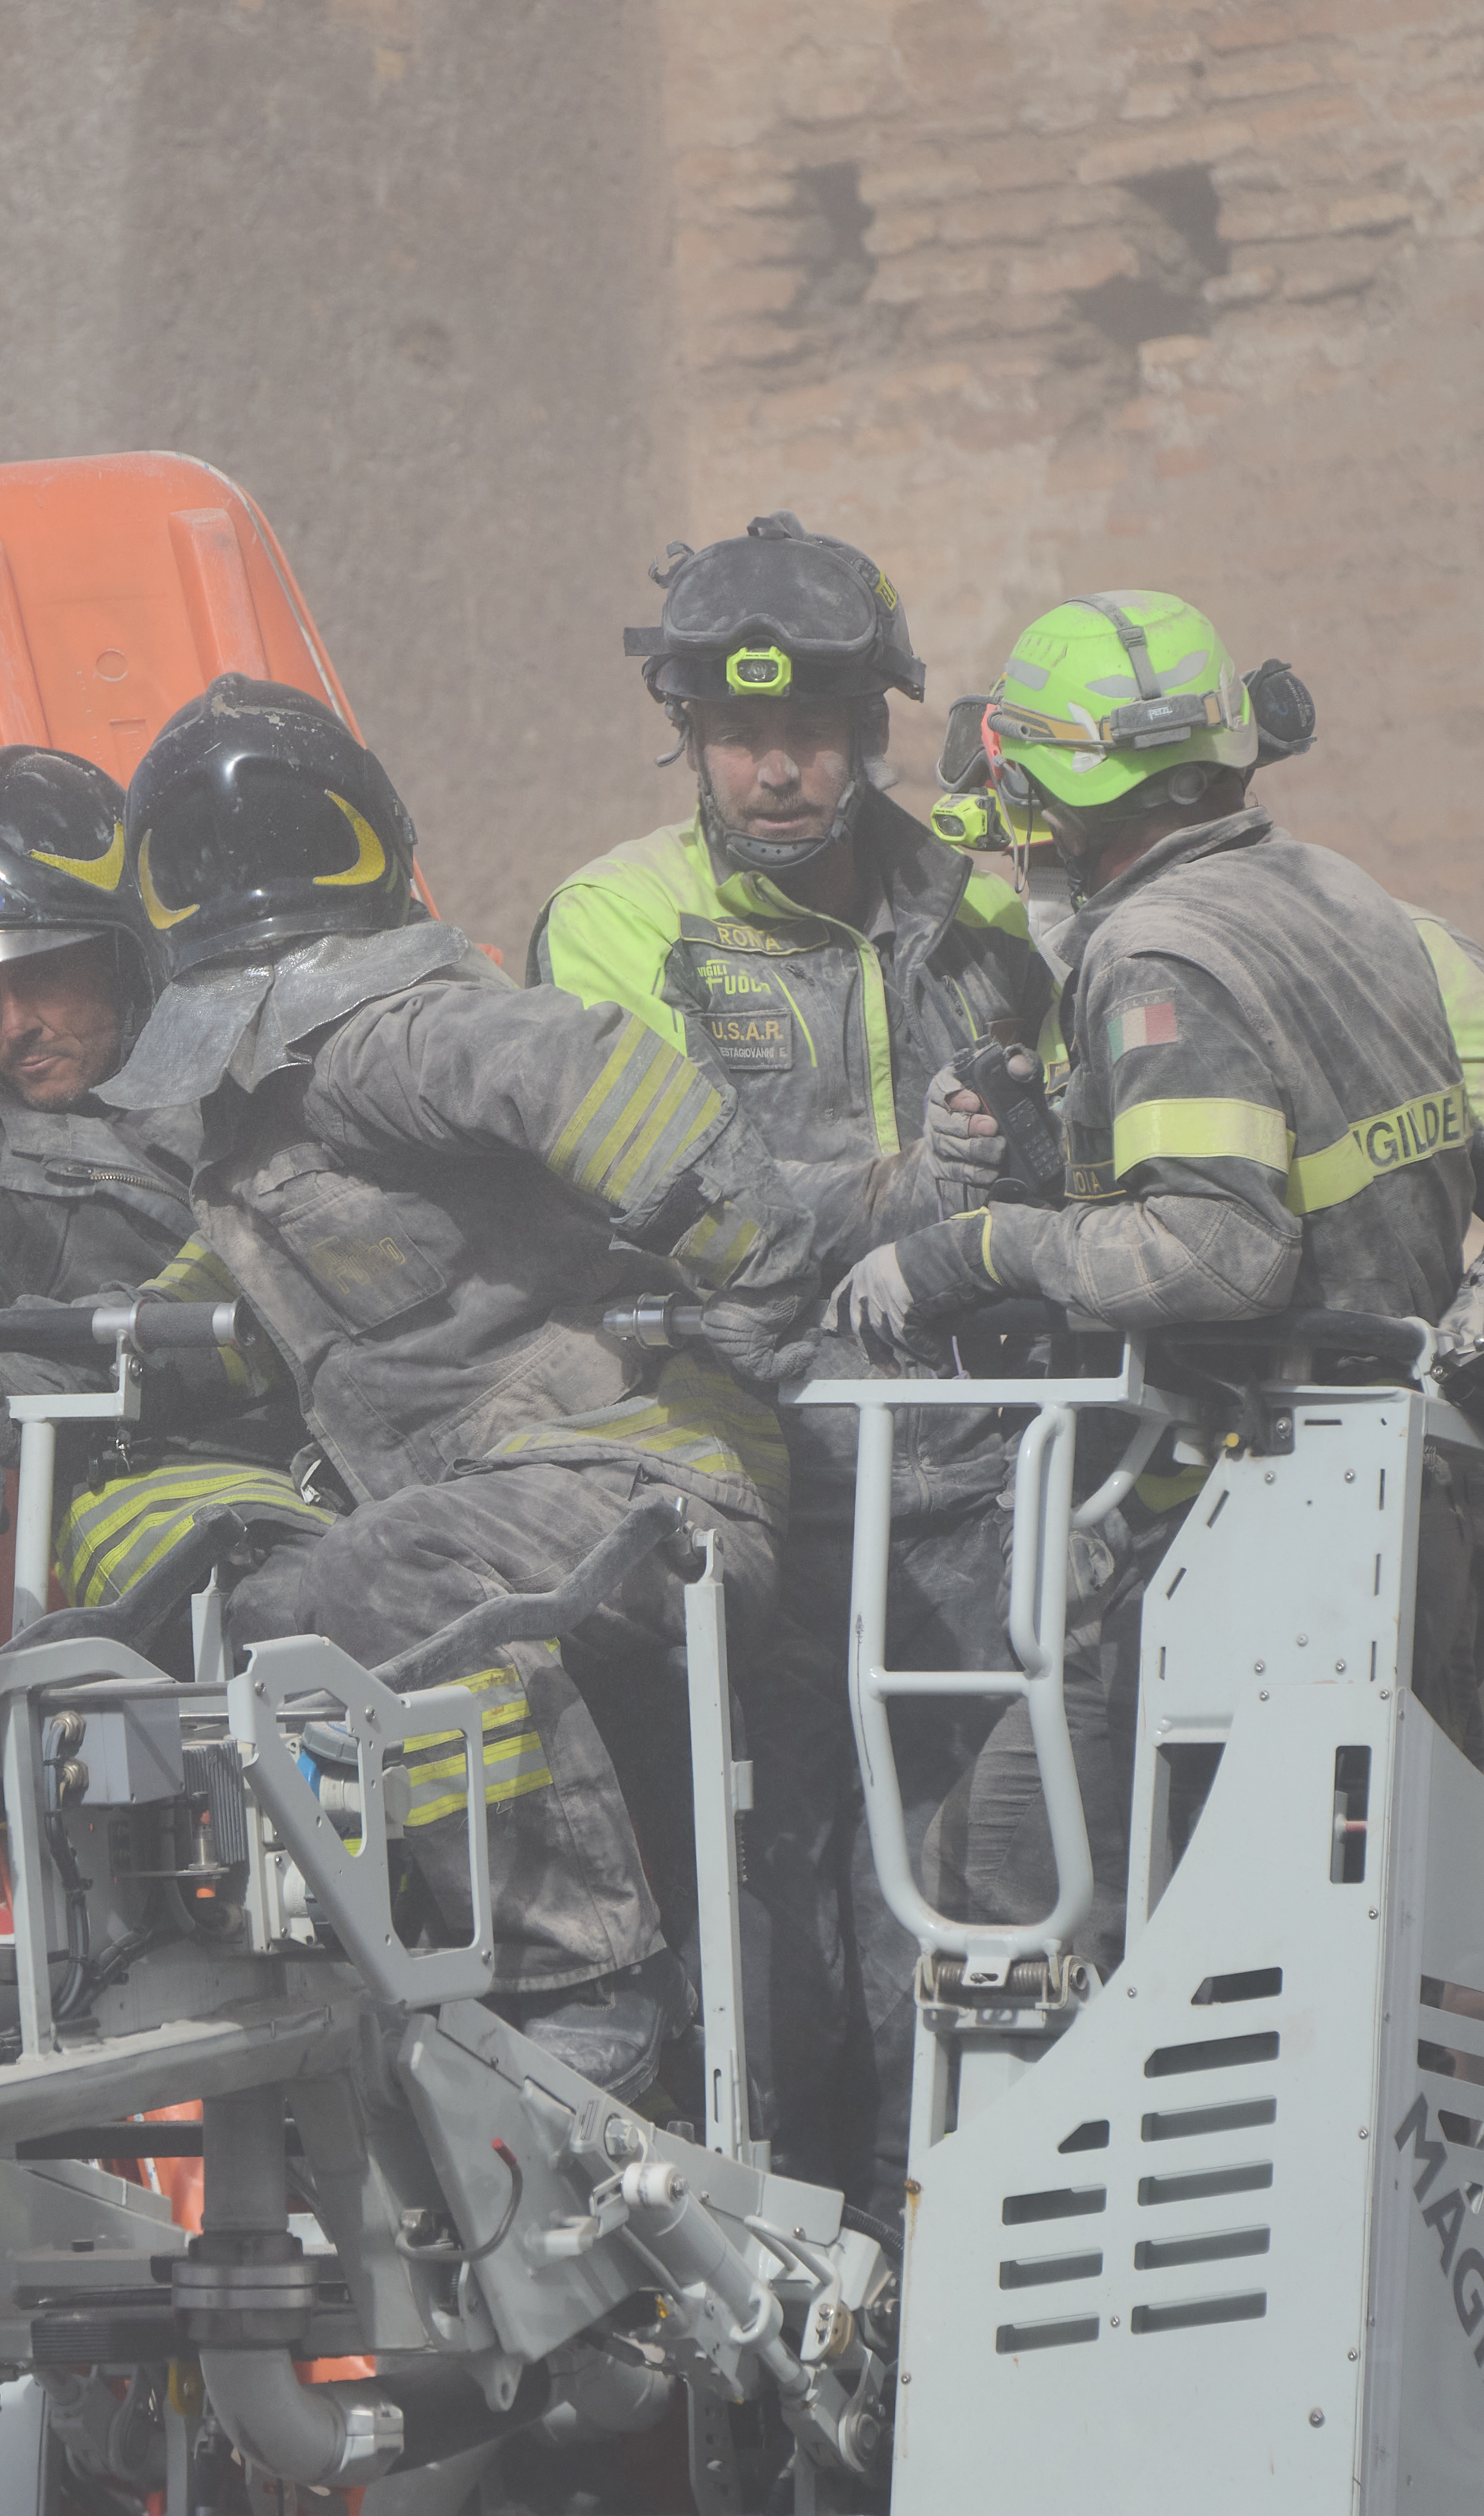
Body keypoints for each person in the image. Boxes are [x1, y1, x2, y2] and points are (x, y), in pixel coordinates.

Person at [834, 590, 1484, 1966]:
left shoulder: (1154, 957)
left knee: (1045, 1914)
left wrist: (970, 1248)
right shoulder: (1382, 922)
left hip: (1231, 1541)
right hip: (1414, 1533)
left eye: (1026, 798)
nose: (1017, 832)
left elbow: (1210, 1250)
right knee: (1371, 1953)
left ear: (1073, 798)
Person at [100, 674, 823, 2100]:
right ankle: (352, 1961)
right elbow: (277, 1267)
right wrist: (131, 1339)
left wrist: (752, 1247)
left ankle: (589, 1977)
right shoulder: (262, 1101)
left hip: (647, 1472)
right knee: (269, 1612)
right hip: (510, 1500)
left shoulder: (385, 1033)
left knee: (393, 1574)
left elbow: (588, 1067)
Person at [527, 514, 1055, 2209]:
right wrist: (904, 1192)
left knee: (970, 1929)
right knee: (764, 1946)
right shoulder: (618, 922)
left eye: (810, 733)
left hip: (978, 1496)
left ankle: (941, 2302)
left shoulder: (990, 916)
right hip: (739, 1495)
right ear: (686, 730)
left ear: (872, 729)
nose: (772, 771)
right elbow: (668, 1209)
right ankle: (776, 2348)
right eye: (738, 734)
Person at [0, 748, 324, 1629]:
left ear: (126, 956)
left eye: (42, 972)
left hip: (378, 1450)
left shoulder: (262, 1082)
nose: (13, 1025)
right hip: (185, 1510)